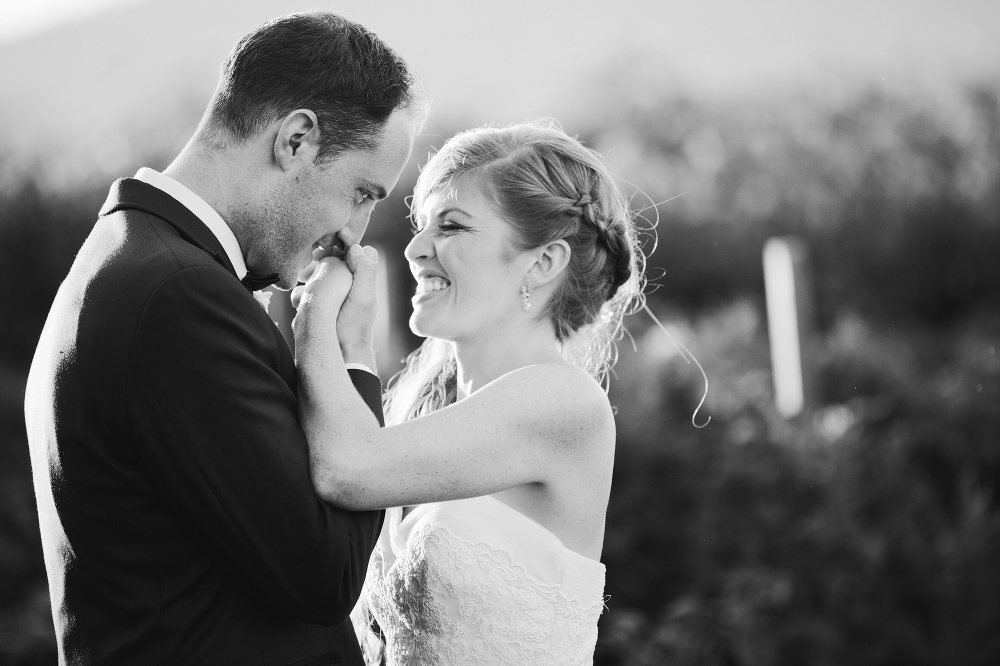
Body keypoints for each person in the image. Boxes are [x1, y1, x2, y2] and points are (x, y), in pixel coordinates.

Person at [23, 12, 425, 665]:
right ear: (295, 140)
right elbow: (321, 576)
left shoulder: (126, 260)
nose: (355, 230)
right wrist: (352, 356)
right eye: (360, 192)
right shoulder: (179, 296)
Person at [292, 120, 645, 665]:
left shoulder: (562, 402)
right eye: (422, 225)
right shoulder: (422, 409)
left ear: (543, 262)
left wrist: (317, 315)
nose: (413, 248)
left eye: (451, 227)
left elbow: (348, 469)